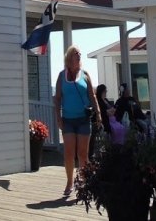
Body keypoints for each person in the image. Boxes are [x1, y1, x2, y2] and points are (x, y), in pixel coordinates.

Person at [54, 45, 101, 198]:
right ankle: (69, 182)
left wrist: (98, 114)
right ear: (69, 57)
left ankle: (85, 181)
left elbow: (92, 96)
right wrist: (58, 118)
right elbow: (58, 99)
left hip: (83, 119)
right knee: (68, 154)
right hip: (68, 120)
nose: (79, 56)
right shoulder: (62, 76)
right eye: (76, 54)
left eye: (80, 54)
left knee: (82, 154)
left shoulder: (85, 75)